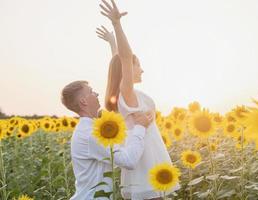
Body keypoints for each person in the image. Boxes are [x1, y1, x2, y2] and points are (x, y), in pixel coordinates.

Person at [98, 0, 180, 199]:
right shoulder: (128, 94)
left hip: (144, 162)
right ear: (127, 72)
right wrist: (117, 25)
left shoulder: (123, 95)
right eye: (138, 65)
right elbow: (124, 59)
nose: (141, 69)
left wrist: (112, 43)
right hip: (146, 165)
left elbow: (119, 63)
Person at [60, 80, 153, 200]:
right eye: (91, 92)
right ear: (83, 101)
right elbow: (129, 160)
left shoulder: (90, 129)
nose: (96, 94)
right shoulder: (90, 134)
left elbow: (117, 152)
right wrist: (140, 127)